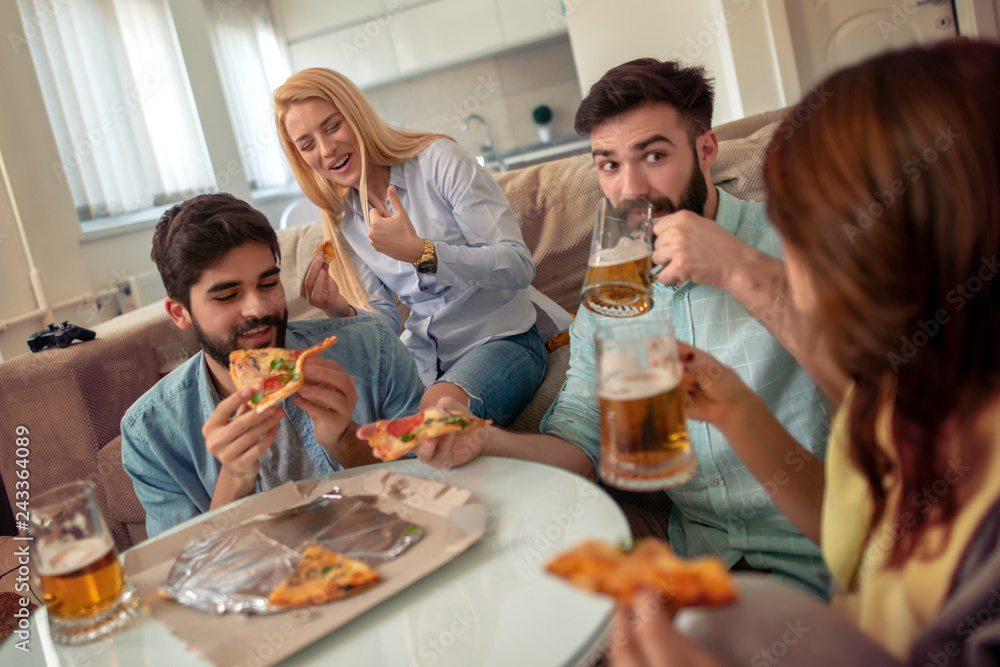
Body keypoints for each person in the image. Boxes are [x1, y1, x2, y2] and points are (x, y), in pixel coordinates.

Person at [380, 59, 835, 599]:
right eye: (609, 165)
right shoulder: (613, 290)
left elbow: (878, 374)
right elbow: (582, 442)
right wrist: (486, 439)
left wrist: (741, 269)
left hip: (824, 549)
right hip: (699, 555)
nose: (630, 190)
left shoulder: (800, 238)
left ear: (706, 151)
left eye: (655, 156)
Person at [608, 39, 1000, 666]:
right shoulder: (900, 403)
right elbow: (856, 536)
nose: (786, 254)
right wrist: (735, 407)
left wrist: (741, 270)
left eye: (802, 233)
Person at [121, 193, 424, 538]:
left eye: (268, 284)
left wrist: (347, 443)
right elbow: (181, 572)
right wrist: (233, 482)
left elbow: (436, 487)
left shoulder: (373, 347)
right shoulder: (149, 432)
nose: (258, 309)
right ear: (180, 313)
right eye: (227, 296)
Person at [272, 68, 549, 427]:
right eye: (307, 144)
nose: (326, 150)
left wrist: (423, 254)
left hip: (502, 339)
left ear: (357, 116)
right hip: (422, 356)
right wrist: (342, 309)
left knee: (433, 423)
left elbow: (517, 264)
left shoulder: (439, 161)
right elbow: (385, 322)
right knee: (351, 421)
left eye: (332, 126)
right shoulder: (345, 220)